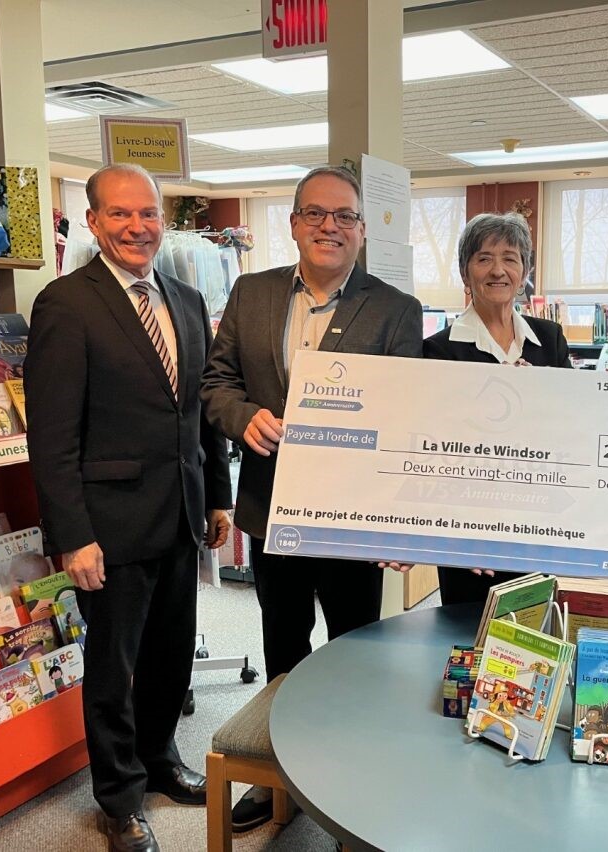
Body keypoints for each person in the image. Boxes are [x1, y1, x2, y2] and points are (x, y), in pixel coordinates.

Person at [200, 165, 421, 832]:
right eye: (316, 214)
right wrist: (245, 417)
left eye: (346, 216)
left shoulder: (394, 309)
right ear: (294, 224)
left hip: (353, 518)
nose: (331, 226)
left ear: (361, 229)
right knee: (283, 644)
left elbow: (405, 418)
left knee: (358, 651)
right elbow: (215, 382)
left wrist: (395, 524)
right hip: (274, 512)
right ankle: (281, 783)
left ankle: (351, 781)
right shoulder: (252, 293)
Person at [25, 163, 232, 852]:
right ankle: (118, 798)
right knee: (114, 668)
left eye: (147, 213)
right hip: (109, 527)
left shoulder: (185, 297)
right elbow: (52, 436)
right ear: (92, 222)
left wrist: (219, 497)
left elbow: (200, 411)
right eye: (120, 214)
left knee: (172, 655)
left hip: (182, 513)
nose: (137, 227)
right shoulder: (66, 303)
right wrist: (72, 535)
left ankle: (161, 760)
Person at [423, 212, 571, 605]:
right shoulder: (439, 349)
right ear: (465, 272)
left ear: (525, 271)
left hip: (540, 520)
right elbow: (437, 444)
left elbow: (573, 422)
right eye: (483, 258)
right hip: (469, 534)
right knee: (467, 638)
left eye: (510, 257)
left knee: (536, 633)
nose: (498, 270)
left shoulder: (549, 339)